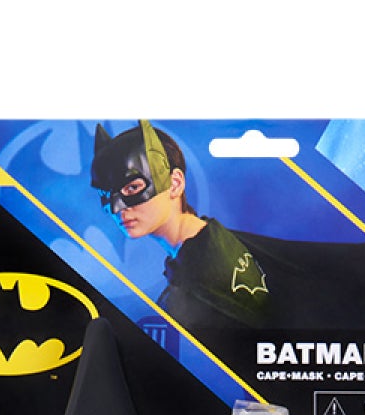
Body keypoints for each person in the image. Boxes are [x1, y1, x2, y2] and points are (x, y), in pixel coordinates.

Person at [91, 121, 273, 331]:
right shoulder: (209, 244)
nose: (116, 208)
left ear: (174, 183)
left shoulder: (201, 274)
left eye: (133, 187)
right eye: (105, 194)